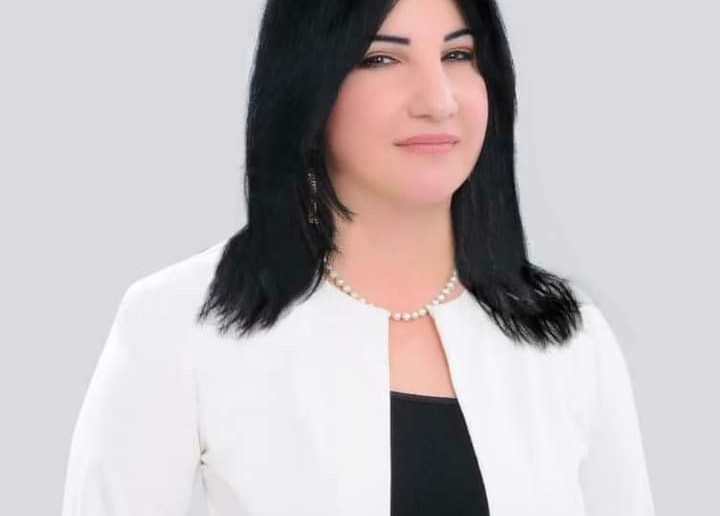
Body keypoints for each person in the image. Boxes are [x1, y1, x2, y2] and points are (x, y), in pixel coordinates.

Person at [61, 0, 656, 515]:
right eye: (381, 59)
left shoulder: (570, 337)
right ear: (308, 84)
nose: (438, 100)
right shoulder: (179, 323)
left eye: (458, 55)